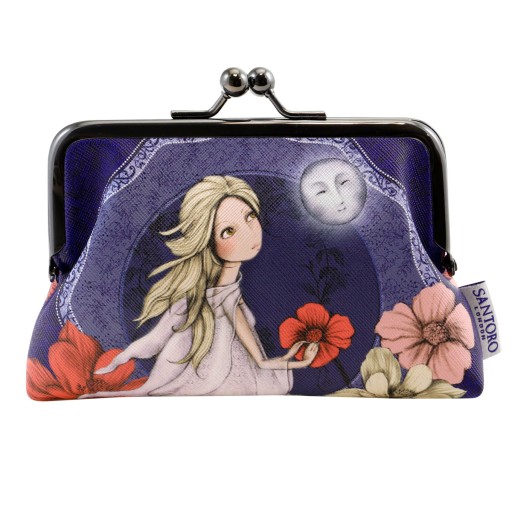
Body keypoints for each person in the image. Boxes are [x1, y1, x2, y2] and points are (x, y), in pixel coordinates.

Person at [80, 175, 318, 398]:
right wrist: (301, 362)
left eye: (250, 216)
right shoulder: (223, 295)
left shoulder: (214, 293)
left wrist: (122, 357)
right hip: (228, 382)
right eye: (228, 231)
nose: (248, 233)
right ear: (208, 242)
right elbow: (261, 362)